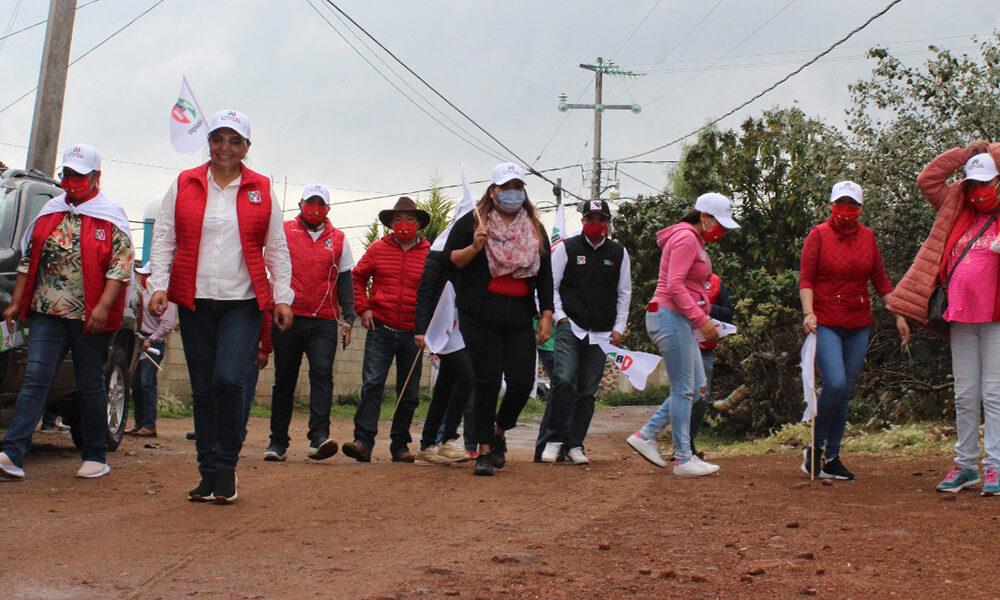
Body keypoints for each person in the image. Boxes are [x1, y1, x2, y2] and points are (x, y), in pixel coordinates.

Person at [148, 109, 294, 504]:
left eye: (234, 140)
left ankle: (226, 464)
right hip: (195, 301)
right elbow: (163, 237)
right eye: (218, 139)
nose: (225, 147)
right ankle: (208, 471)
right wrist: (158, 286)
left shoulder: (261, 189)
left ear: (247, 147)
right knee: (204, 388)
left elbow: (277, 247)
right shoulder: (184, 183)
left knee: (229, 379)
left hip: (243, 303)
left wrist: (282, 297)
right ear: (208, 143)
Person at [0, 143, 133, 480]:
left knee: (90, 384)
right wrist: (17, 302)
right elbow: (29, 263)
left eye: (78, 176)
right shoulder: (50, 214)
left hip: (90, 318)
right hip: (48, 314)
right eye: (67, 175)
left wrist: (103, 307)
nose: (71, 182)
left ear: (96, 176)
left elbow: (120, 269)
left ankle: (95, 456)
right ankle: (12, 454)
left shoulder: (110, 217)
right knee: (35, 380)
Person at [888, 141, 1000, 496]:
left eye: (986, 182)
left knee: (994, 393)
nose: (979, 191)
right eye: (973, 183)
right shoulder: (956, 210)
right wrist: (969, 152)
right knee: (966, 394)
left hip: (996, 319)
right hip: (961, 318)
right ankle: (966, 465)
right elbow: (929, 179)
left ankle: (996, 467)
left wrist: (994, 154)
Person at [442, 162, 554, 476]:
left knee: (521, 382)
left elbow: (545, 275)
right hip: (479, 314)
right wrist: (476, 246)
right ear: (493, 191)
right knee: (487, 379)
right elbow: (449, 261)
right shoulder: (473, 222)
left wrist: (547, 313)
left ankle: (499, 430)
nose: (512, 193)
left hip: (519, 314)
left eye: (518, 187)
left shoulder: (534, 227)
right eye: (506, 187)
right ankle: (484, 452)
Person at [799, 181, 909, 481]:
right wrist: (808, 313)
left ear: (860, 208)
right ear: (831, 205)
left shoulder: (868, 237)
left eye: (851, 205)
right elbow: (806, 278)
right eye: (840, 204)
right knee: (834, 383)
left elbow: (881, 281)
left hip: (858, 322)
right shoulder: (818, 235)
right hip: (826, 321)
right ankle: (814, 448)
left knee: (845, 390)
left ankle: (832, 456)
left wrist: (898, 314)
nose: (845, 211)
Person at [626, 193, 739, 477]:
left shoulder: (693, 239)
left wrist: (702, 312)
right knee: (685, 389)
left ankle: (646, 435)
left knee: (698, 388)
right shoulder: (686, 238)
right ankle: (683, 458)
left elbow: (687, 286)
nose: (722, 231)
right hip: (669, 316)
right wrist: (702, 320)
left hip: (677, 317)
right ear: (704, 217)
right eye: (720, 224)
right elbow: (675, 285)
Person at [264, 184, 355, 462]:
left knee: (322, 373)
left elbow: (345, 280)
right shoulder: (283, 231)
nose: (314, 208)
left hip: (324, 319)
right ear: (300, 204)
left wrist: (348, 317)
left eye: (320, 204)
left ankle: (319, 437)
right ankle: (278, 442)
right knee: (284, 379)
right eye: (310, 202)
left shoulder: (338, 238)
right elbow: (272, 267)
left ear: (328, 209)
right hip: (289, 315)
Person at [537, 200, 631, 465]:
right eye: (591, 218)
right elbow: (550, 286)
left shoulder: (619, 253)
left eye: (601, 219)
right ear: (582, 222)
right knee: (564, 380)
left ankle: (575, 444)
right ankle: (554, 440)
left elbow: (624, 293)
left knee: (588, 391)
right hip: (571, 327)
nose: (596, 224)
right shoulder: (567, 248)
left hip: (601, 333)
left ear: (608, 223)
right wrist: (560, 317)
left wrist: (618, 327)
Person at [342, 197, 430, 463]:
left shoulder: (429, 253)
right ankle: (363, 442)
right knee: (372, 385)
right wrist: (363, 308)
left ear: (418, 224)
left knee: (410, 393)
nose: (404, 224)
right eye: (398, 220)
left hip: (414, 333)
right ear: (392, 224)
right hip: (380, 327)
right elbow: (355, 278)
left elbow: (436, 290)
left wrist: (427, 328)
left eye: (409, 219)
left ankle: (400, 446)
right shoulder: (378, 249)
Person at [413, 247, 474, 465]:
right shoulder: (439, 250)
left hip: (467, 326)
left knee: (444, 388)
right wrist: (421, 329)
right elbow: (425, 292)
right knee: (468, 377)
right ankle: (448, 438)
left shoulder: (480, 249)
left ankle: (428, 445)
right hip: (442, 328)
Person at [127, 263, 176, 438]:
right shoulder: (142, 295)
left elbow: (167, 324)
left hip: (151, 344)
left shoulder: (164, 298)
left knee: (147, 383)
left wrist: (151, 339)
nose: (143, 278)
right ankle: (139, 423)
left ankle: (149, 425)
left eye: (146, 275)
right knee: (136, 384)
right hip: (139, 341)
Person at [690, 273, 733, 457]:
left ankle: (688, 441)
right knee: (683, 393)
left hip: (706, 348)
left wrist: (707, 307)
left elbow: (728, 313)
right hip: (683, 344)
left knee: (702, 396)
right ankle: (681, 445)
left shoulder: (716, 282)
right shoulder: (680, 278)